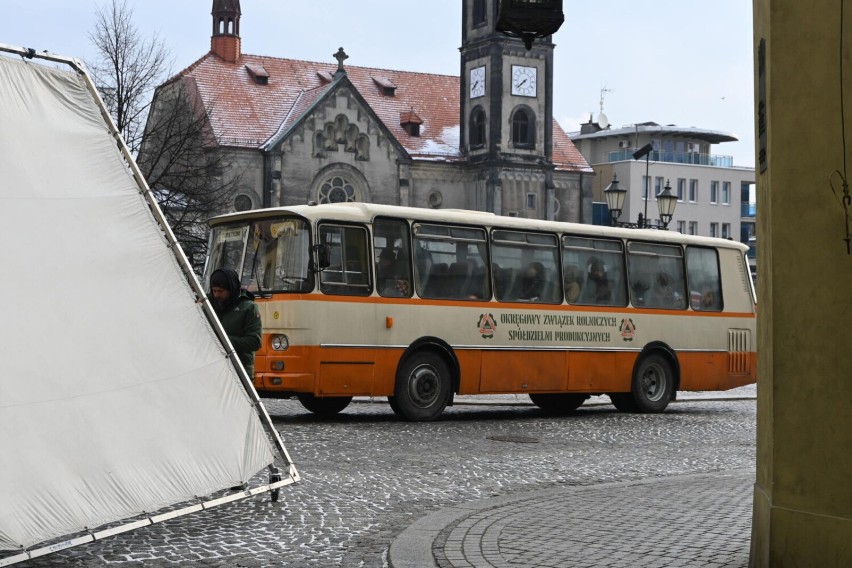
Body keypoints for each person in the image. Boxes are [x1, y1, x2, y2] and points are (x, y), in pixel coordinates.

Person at [209, 267, 262, 377]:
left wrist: (224, 340)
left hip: (239, 373)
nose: (217, 295)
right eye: (214, 291)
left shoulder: (248, 308)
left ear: (231, 289)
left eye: (221, 291)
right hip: (212, 371)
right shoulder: (208, 306)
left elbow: (255, 342)